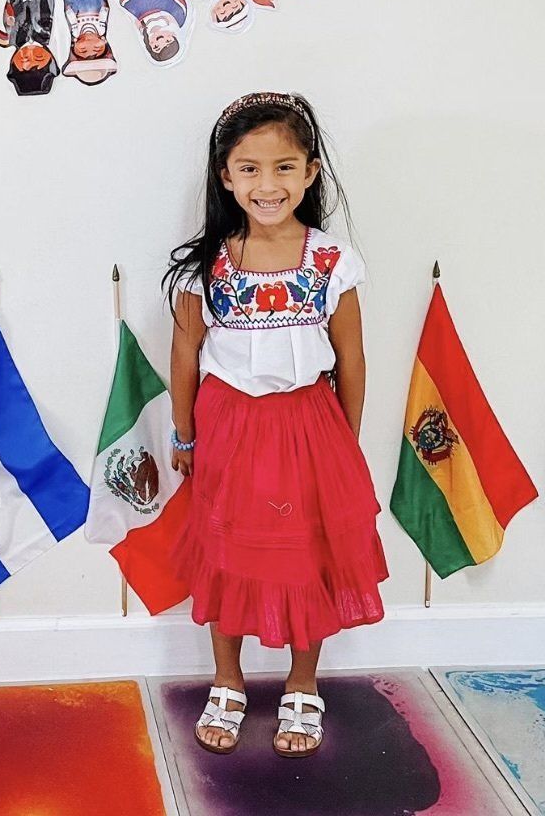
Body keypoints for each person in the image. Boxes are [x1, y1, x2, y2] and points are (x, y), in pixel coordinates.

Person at [165, 91, 386, 758]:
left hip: (308, 427)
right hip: (229, 427)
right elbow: (185, 353)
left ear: (311, 172)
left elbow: (351, 356)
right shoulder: (207, 267)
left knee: (307, 554)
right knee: (227, 550)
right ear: (226, 177)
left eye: (284, 167)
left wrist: (342, 442)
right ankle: (227, 681)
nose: (268, 185)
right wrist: (184, 435)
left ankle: (302, 683)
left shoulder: (330, 262)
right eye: (250, 169)